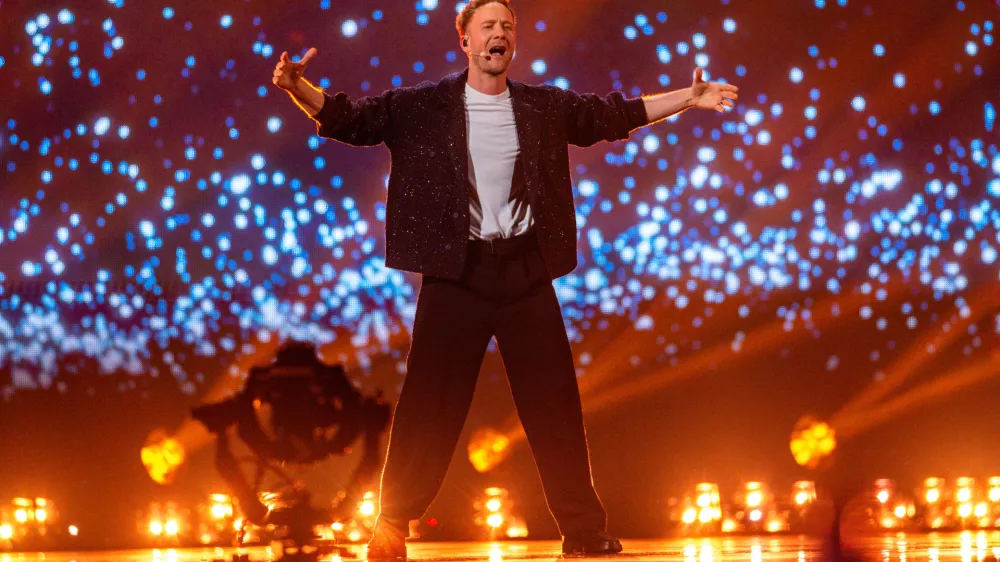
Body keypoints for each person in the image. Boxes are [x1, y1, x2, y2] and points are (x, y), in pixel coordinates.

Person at [272, 1, 738, 559]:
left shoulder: (542, 106)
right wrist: (299, 88)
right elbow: (356, 120)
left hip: (524, 272)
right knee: (429, 405)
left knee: (555, 404)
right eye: (488, 26)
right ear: (465, 41)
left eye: (508, 27)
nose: (500, 33)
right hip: (455, 274)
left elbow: (609, 117)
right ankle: (392, 523)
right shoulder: (424, 105)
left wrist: (687, 99)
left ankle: (584, 532)